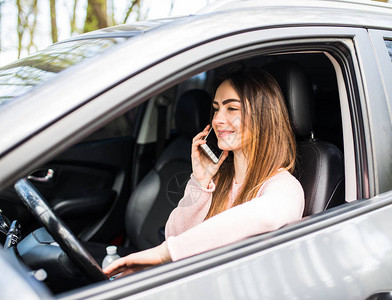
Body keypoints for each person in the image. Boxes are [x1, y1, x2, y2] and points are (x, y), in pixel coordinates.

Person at [103, 68, 305, 278]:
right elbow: (175, 236)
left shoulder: (283, 187)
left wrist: (164, 253)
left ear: (263, 117)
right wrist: (200, 180)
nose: (217, 120)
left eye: (232, 109)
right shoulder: (218, 179)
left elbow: (266, 217)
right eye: (216, 109)